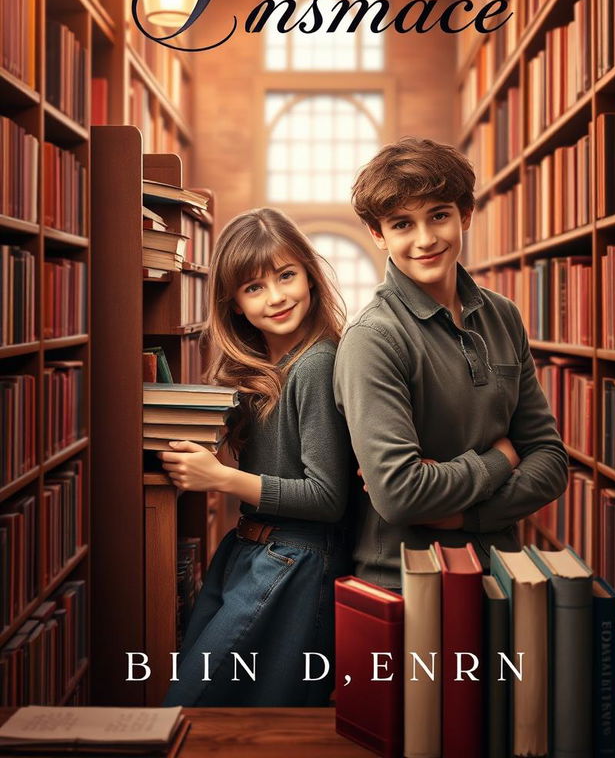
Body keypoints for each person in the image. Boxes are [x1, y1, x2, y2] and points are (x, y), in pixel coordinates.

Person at [333, 137, 568, 590]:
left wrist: (467, 515)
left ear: (464, 214)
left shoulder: (503, 316)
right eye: (402, 224)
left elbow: (550, 459)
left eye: (438, 215)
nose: (424, 240)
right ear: (378, 235)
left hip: (503, 572)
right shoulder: (373, 339)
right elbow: (401, 495)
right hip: (406, 583)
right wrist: (501, 458)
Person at [161, 208, 352, 706]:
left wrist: (220, 478)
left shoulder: (316, 363)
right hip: (249, 551)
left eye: (286, 275)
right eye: (254, 287)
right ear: (235, 306)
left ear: (310, 274)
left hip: (295, 557)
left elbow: (328, 497)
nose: (277, 297)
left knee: (191, 705)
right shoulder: (266, 368)